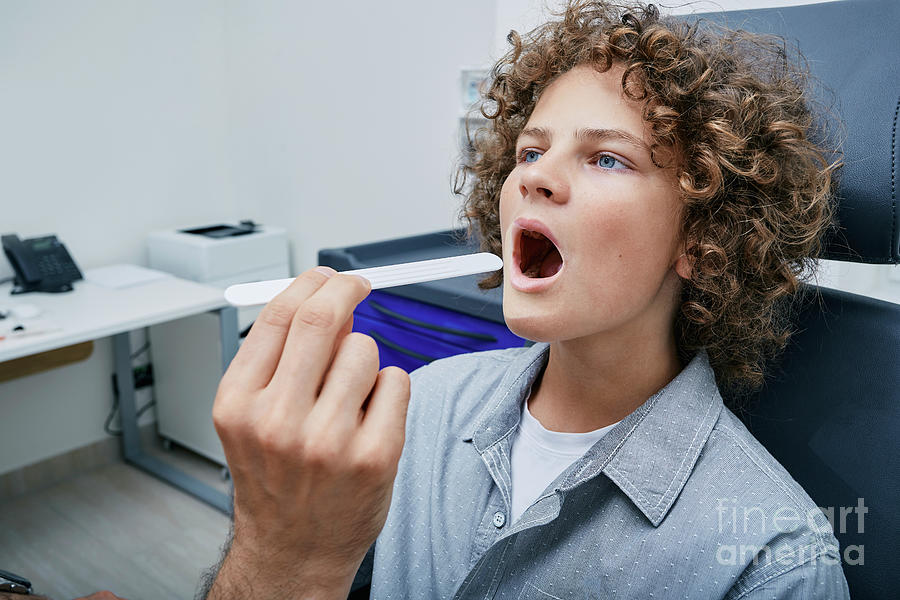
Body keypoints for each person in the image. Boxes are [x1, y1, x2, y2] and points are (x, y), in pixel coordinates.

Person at [201, 1, 850, 598]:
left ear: (702, 235)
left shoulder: (768, 559)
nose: (534, 174)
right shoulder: (420, 409)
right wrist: (277, 551)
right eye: (530, 150)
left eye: (607, 159)